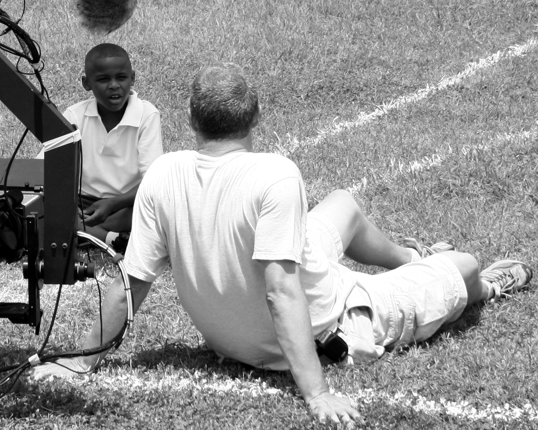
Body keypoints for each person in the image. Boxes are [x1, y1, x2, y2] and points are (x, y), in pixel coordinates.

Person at [34, 63, 533, 425]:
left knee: (342, 204)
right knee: (463, 264)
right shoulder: (275, 173)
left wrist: (80, 361)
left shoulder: (165, 172)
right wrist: (315, 393)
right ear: (256, 115)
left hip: (243, 331)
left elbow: (131, 283)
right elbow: (280, 291)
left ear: (191, 117)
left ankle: (409, 258)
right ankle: (483, 286)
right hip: (339, 321)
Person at [49, 43, 161, 252]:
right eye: (103, 79)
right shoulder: (74, 116)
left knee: (155, 206)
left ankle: (82, 233)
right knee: (48, 209)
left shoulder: (146, 115)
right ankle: (111, 239)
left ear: (133, 78)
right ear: (86, 83)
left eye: (121, 77)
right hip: (83, 204)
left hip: (127, 203)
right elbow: (49, 169)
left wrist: (113, 204)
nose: (114, 85)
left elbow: (152, 182)